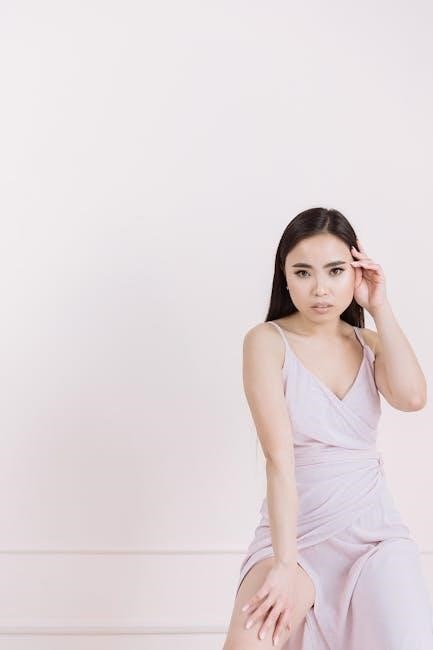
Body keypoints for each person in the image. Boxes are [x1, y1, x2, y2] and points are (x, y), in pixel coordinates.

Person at [222, 207, 433, 649]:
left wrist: (379, 306)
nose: (320, 288)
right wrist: (284, 564)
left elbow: (413, 398)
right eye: (303, 272)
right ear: (285, 278)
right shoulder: (266, 342)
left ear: (355, 272)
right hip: (293, 537)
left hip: (373, 537)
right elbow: (279, 461)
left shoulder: (369, 343)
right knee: (248, 643)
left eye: (335, 271)